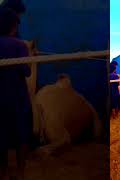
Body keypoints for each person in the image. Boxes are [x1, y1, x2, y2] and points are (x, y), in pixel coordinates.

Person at [0, 8, 32, 180]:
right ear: (13, 26)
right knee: (21, 136)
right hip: (17, 98)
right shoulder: (20, 45)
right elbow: (26, 72)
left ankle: (3, 172)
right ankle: (21, 172)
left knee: (1, 137)